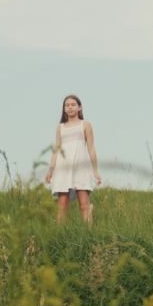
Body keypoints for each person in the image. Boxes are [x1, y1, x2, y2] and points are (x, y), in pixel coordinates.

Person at [44, 94, 102, 224]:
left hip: (80, 166)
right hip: (63, 167)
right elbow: (56, 150)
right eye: (67, 105)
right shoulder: (60, 127)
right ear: (64, 109)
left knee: (84, 204)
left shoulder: (85, 125)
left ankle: (89, 233)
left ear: (79, 108)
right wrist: (50, 171)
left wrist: (95, 171)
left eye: (73, 105)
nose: (70, 107)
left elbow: (91, 148)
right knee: (62, 205)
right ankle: (60, 234)